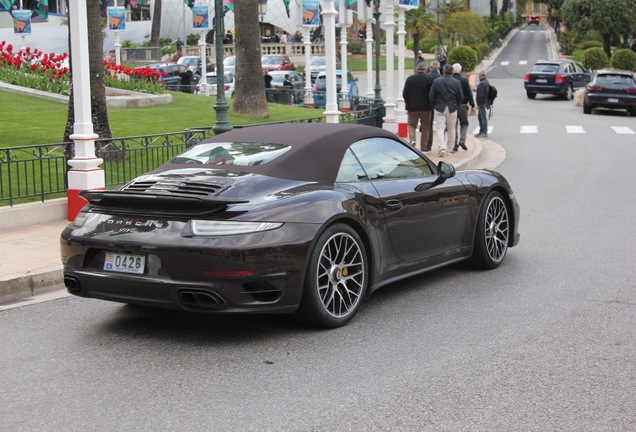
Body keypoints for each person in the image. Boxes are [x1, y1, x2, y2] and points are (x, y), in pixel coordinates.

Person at [429, 63, 462, 157]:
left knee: (439, 129)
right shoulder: (456, 82)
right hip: (452, 108)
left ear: (443, 71)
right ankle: (450, 149)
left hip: (439, 107)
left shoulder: (437, 81)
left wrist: (434, 105)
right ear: (452, 72)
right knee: (452, 129)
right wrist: (456, 105)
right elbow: (460, 96)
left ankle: (441, 147)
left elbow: (432, 95)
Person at [402, 62, 434, 152]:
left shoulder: (410, 79)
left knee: (412, 125)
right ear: (426, 69)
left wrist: (407, 101)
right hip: (426, 107)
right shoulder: (429, 79)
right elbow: (432, 94)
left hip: (412, 107)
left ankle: (412, 140)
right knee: (425, 127)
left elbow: (405, 93)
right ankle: (423, 147)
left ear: (417, 69)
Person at [451, 63, 475, 152]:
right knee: (464, 123)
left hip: (453, 105)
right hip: (463, 105)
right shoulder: (464, 81)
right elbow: (469, 94)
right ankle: (462, 140)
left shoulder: (451, 80)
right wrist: (472, 105)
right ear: (461, 71)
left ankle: (454, 144)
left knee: (453, 125)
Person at [475, 71, 491, 138]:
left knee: (482, 117)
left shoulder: (482, 83)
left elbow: (480, 95)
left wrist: (478, 103)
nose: (478, 77)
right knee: (480, 117)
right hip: (485, 101)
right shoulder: (486, 82)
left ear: (481, 76)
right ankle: (482, 131)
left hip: (482, 103)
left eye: (479, 75)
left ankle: (484, 131)